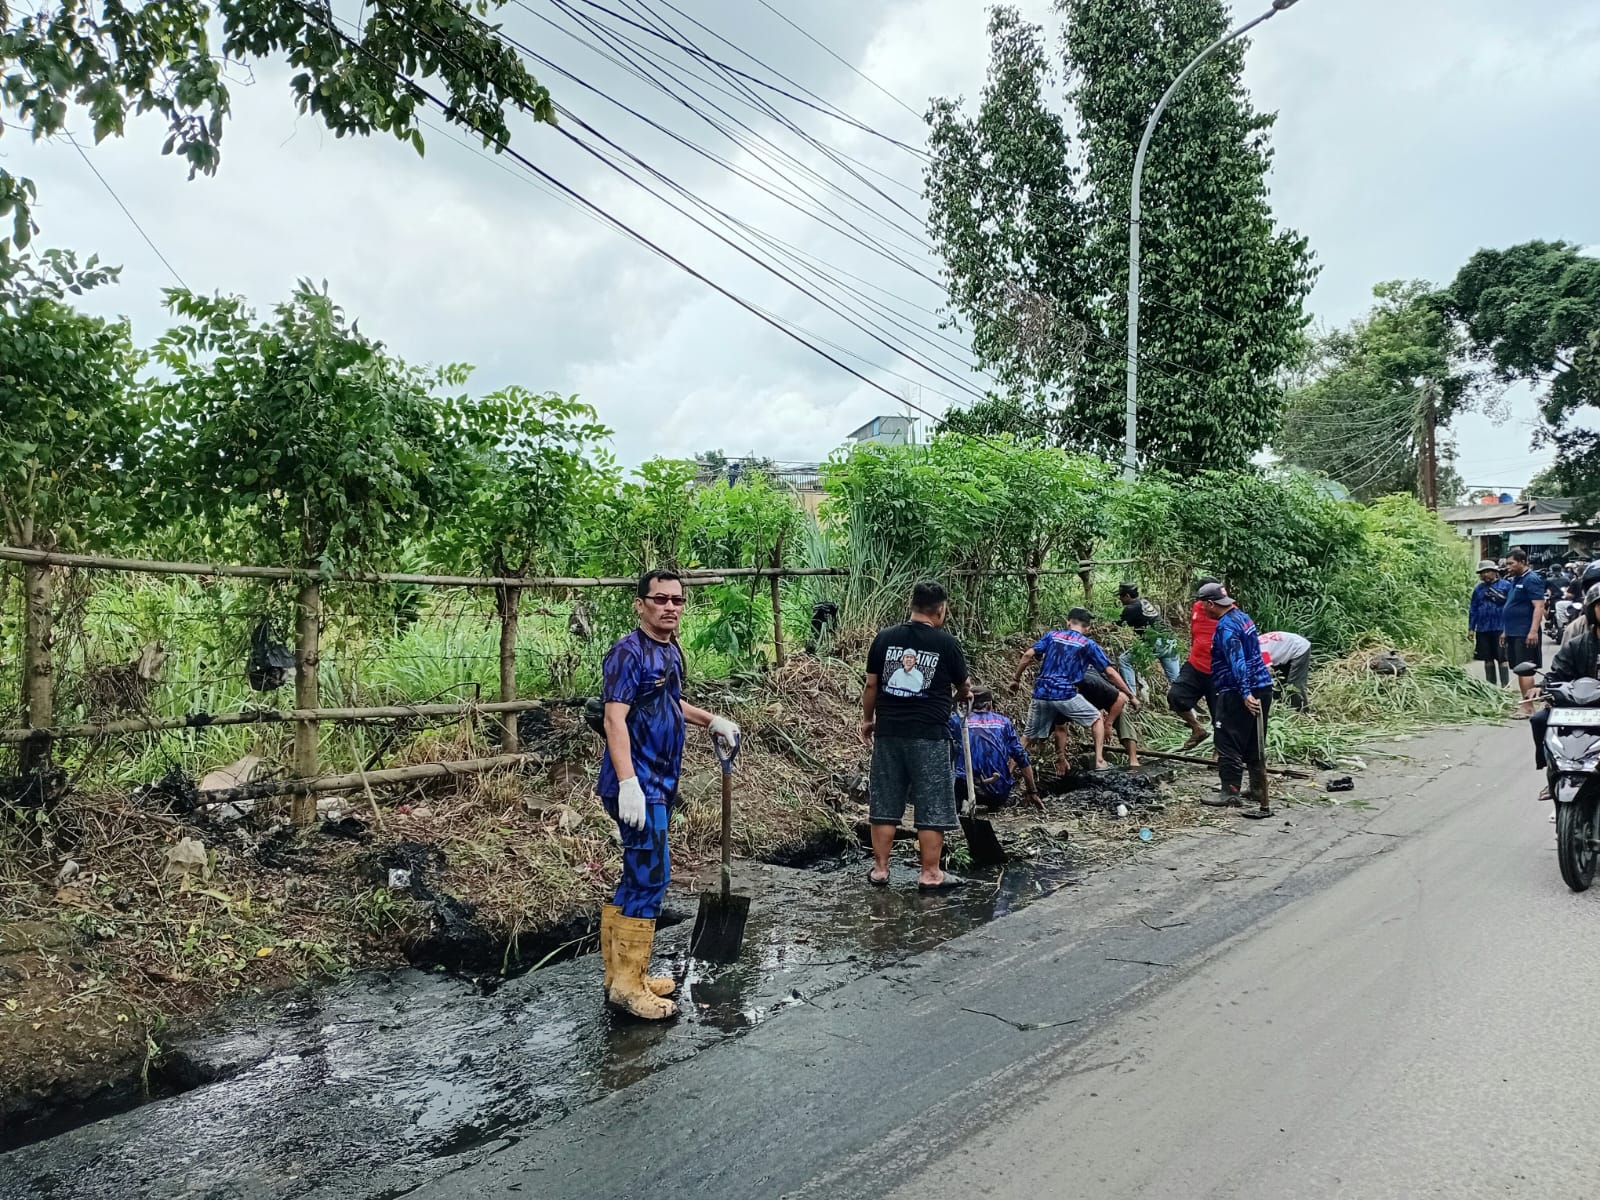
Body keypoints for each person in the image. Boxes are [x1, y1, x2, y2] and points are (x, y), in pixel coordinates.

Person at [597, 569, 741, 1020]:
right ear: (640, 604)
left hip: (659, 782)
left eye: (677, 600)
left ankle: (622, 975)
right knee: (653, 877)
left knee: (637, 875)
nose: (670, 607)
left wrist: (710, 720)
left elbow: (668, 702)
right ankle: (628, 987)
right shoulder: (628, 652)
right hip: (637, 785)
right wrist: (628, 784)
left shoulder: (670, 649)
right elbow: (614, 719)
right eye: (660, 599)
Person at [863, 581, 972, 892]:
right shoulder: (946, 643)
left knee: (885, 800)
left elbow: (871, 685)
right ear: (940, 610)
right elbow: (964, 686)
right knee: (932, 803)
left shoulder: (884, 638)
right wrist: (962, 694)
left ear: (912, 606)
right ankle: (930, 873)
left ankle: (880, 870)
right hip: (930, 735)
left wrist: (867, 721)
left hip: (889, 733)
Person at [1012, 608, 1133, 773]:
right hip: (1065, 693)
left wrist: (1016, 680)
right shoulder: (1088, 644)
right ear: (1088, 628)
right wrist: (1130, 694)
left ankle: (1007, 771)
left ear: (1068, 622)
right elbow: (1110, 673)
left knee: (1027, 737)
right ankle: (1099, 761)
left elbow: (1027, 655)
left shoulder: (1052, 636)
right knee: (1096, 719)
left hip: (1041, 693)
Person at [1195, 583, 1275, 818]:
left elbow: (1237, 660)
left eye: (1203, 604)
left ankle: (1230, 791)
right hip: (1263, 685)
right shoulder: (1243, 617)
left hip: (1237, 691)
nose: (1202, 609)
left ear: (1211, 604)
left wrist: (1245, 693)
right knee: (1254, 740)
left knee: (1227, 740)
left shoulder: (1226, 627)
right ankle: (1258, 789)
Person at [1530, 582, 1600, 799]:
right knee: (1539, 720)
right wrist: (1542, 687)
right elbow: (1558, 672)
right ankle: (1553, 773)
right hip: (1578, 706)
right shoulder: (1577, 645)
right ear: (1592, 610)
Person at [947, 685, 1039, 810]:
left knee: (951, 746)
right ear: (989, 705)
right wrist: (1032, 791)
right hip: (998, 791)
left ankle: (960, 801)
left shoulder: (958, 721)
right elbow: (1021, 757)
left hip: (965, 788)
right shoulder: (1004, 723)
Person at [1167, 577, 1220, 751]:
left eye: (1204, 600)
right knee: (1176, 697)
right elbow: (1195, 633)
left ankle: (1220, 751)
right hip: (1195, 665)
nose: (1200, 603)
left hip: (1218, 672)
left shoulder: (1230, 614)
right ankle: (1197, 729)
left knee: (1220, 716)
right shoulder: (1197, 608)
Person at [1499, 546, 1546, 716]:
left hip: (1525, 632)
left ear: (1522, 562)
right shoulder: (1515, 580)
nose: (1508, 567)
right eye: (1507, 564)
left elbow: (1539, 606)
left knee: (1525, 669)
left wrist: (1533, 631)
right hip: (1513, 631)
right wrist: (1505, 630)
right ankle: (1525, 703)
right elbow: (1511, 605)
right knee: (1519, 668)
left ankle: (1528, 707)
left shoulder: (1531, 579)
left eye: (1511, 563)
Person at [1115, 582, 1181, 696]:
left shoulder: (1130, 608)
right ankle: (1185, 701)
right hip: (1170, 641)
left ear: (1127, 596)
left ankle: (1131, 696)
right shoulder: (1144, 602)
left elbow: (1116, 625)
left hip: (1156, 642)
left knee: (1124, 660)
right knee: (1176, 681)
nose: (1120, 599)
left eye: (1121, 596)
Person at [1080, 665, 1142, 767]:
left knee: (1121, 716)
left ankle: (1133, 760)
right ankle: (1099, 758)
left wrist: (1108, 724)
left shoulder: (1098, 684)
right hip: (1078, 698)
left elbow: (1121, 698)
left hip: (1100, 692)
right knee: (1096, 719)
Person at [1469, 560, 1509, 686]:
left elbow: (1511, 607)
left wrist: (1507, 628)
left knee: (1502, 658)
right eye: (1482, 572)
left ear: (1495, 572)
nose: (1485, 574)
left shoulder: (1506, 586)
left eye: (1488, 571)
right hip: (1483, 629)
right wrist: (1471, 628)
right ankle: (1491, 687)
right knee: (1487, 658)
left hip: (1500, 627)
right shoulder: (1478, 589)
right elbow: (1473, 609)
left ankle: (1505, 687)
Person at [1259, 630, 1312, 712]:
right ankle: (1282, 706)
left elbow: (1269, 671)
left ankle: (1302, 711)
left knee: (1294, 684)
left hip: (1299, 648)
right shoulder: (1253, 644)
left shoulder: (1259, 651)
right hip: (1285, 649)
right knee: (1280, 682)